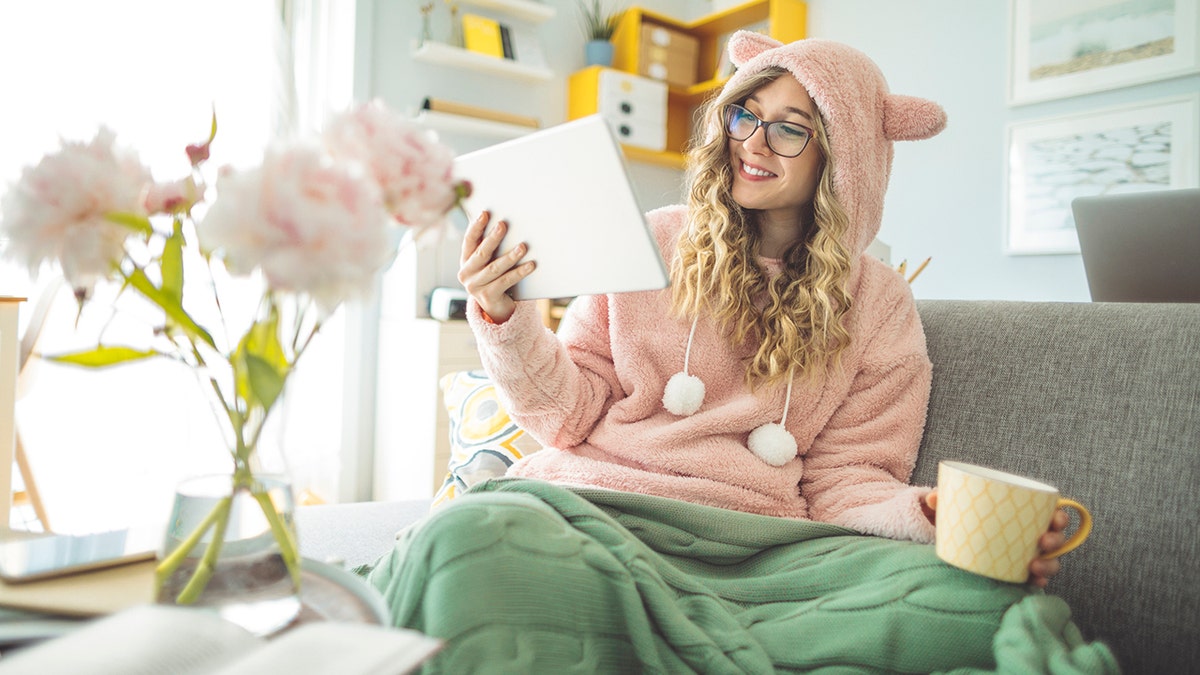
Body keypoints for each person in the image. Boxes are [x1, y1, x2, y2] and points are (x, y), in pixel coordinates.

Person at [365, 33, 1115, 673]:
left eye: (791, 128)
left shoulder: (879, 302)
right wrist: (504, 315)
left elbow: (847, 482)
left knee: (980, 601)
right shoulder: (656, 238)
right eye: (745, 113)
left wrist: (928, 513)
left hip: (760, 551)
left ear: (841, 157)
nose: (753, 141)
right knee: (470, 543)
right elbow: (566, 413)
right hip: (592, 512)